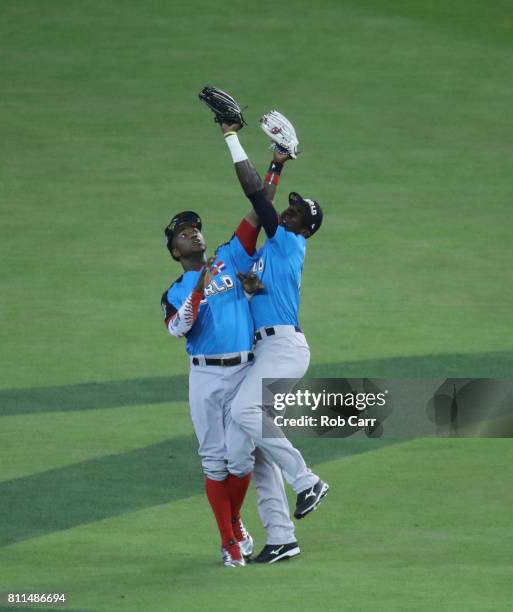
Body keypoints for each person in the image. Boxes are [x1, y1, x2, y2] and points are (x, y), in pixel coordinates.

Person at [161, 153, 299, 566]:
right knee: (213, 460)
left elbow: (259, 210)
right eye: (184, 235)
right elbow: (177, 328)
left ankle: (234, 522)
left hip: (243, 369)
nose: (193, 236)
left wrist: (276, 165)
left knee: (238, 458)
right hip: (204, 377)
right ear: (174, 251)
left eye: (195, 229)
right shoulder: (175, 289)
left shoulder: (230, 256)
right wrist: (199, 291)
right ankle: (229, 541)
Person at [219, 120, 330, 564]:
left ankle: (307, 481)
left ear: (306, 228)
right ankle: (282, 537)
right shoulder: (272, 254)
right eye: (290, 207)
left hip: (284, 349)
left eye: (297, 211)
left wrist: (233, 139)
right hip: (268, 350)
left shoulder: (287, 244)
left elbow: (254, 197)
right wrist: (277, 165)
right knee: (252, 446)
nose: (289, 211)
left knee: (247, 412)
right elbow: (264, 203)